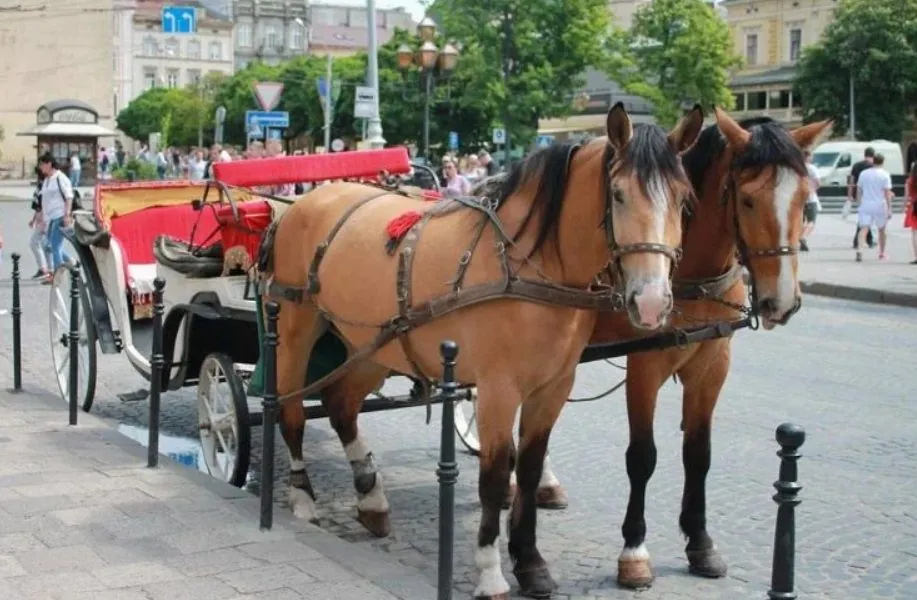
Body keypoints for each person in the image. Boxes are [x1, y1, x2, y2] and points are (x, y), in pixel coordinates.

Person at [38, 153, 75, 281]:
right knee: (49, 245)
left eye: (42, 164)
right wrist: (43, 220)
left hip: (60, 215)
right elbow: (44, 201)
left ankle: (58, 275)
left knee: (55, 246)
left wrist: (67, 214)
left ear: (49, 164)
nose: (41, 168)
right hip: (50, 218)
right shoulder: (47, 180)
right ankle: (71, 261)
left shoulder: (61, 178)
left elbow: (69, 196)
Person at [854, 152, 893, 262]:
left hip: (866, 203)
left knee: (864, 228)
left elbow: (859, 189)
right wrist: (890, 208)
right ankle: (882, 253)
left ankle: (860, 250)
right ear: (882, 162)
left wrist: (859, 202)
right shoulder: (885, 174)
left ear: (873, 161)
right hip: (880, 204)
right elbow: (887, 192)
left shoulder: (864, 173)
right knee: (882, 229)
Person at [849, 147, 876, 249]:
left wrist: (850, 195)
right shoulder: (872, 166)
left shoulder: (856, 165)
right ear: (873, 155)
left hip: (858, 194)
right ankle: (858, 240)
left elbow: (851, 181)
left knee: (864, 217)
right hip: (869, 195)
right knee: (865, 218)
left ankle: (868, 239)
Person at [800, 150, 821, 252]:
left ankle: (798, 237)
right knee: (811, 221)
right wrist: (813, 190)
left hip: (799, 198)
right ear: (808, 157)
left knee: (801, 220)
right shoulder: (812, 168)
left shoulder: (797, 168)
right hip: (811, 198)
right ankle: (803, 237)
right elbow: (818, 182)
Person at [905, 161, 917, 264]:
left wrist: (904, 205)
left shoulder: (910, 180)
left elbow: (907, 196)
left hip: (914, 206)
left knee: (914, 233)